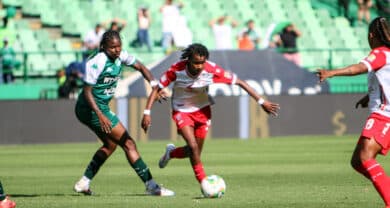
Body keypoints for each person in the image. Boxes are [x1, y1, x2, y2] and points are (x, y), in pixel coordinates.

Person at [141, 43, 280, 192]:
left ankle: (171, 153)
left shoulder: (212, 69)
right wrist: (147, 112)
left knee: (194, 152)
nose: (199, 66)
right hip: (181, 110)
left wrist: (262, 101)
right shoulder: (177, 69)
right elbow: (157, 89)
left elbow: (239, 82)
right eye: (196, 63)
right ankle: (204, 183)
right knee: (193, 147)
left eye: (202, 62)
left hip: (203, 111)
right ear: (188, 60)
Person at [73, 30, 174, 196]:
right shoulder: (97, 62)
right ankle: (151, 186)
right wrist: (99, 114)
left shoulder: (121, 56)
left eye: (119, 46)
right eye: (112, 47)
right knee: (129, 144)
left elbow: (140, 67)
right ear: (103, 46)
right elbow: (86, 91)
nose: (117, 50)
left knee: (110, 145)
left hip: (98, 107)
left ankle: (84, 182)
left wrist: (155, 85)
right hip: (90, 108)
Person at [317, 17, 390, 208]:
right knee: (357, 162)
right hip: (381, 112)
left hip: (384, 115)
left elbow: (357, 68)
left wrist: (332, 72)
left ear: (371, 36)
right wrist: (369, 97)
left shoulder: (380, 53)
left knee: (365, 157)